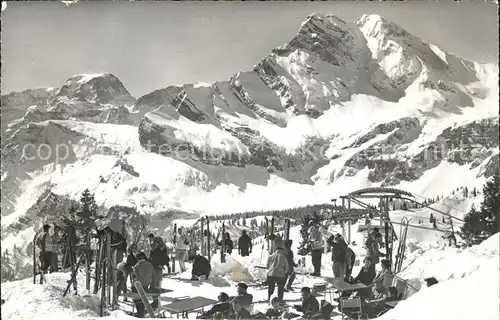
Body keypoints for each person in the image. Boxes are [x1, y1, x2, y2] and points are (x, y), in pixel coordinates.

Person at [131, 252, 161, 318]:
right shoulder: (150, 265)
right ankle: (142, 313)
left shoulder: (136, 266)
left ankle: (140, 313)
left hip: (136, 287)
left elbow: (134, 278)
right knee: (143, 300)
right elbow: (154, 277)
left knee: (138, 301)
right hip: (145, 286)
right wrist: (152, 286)